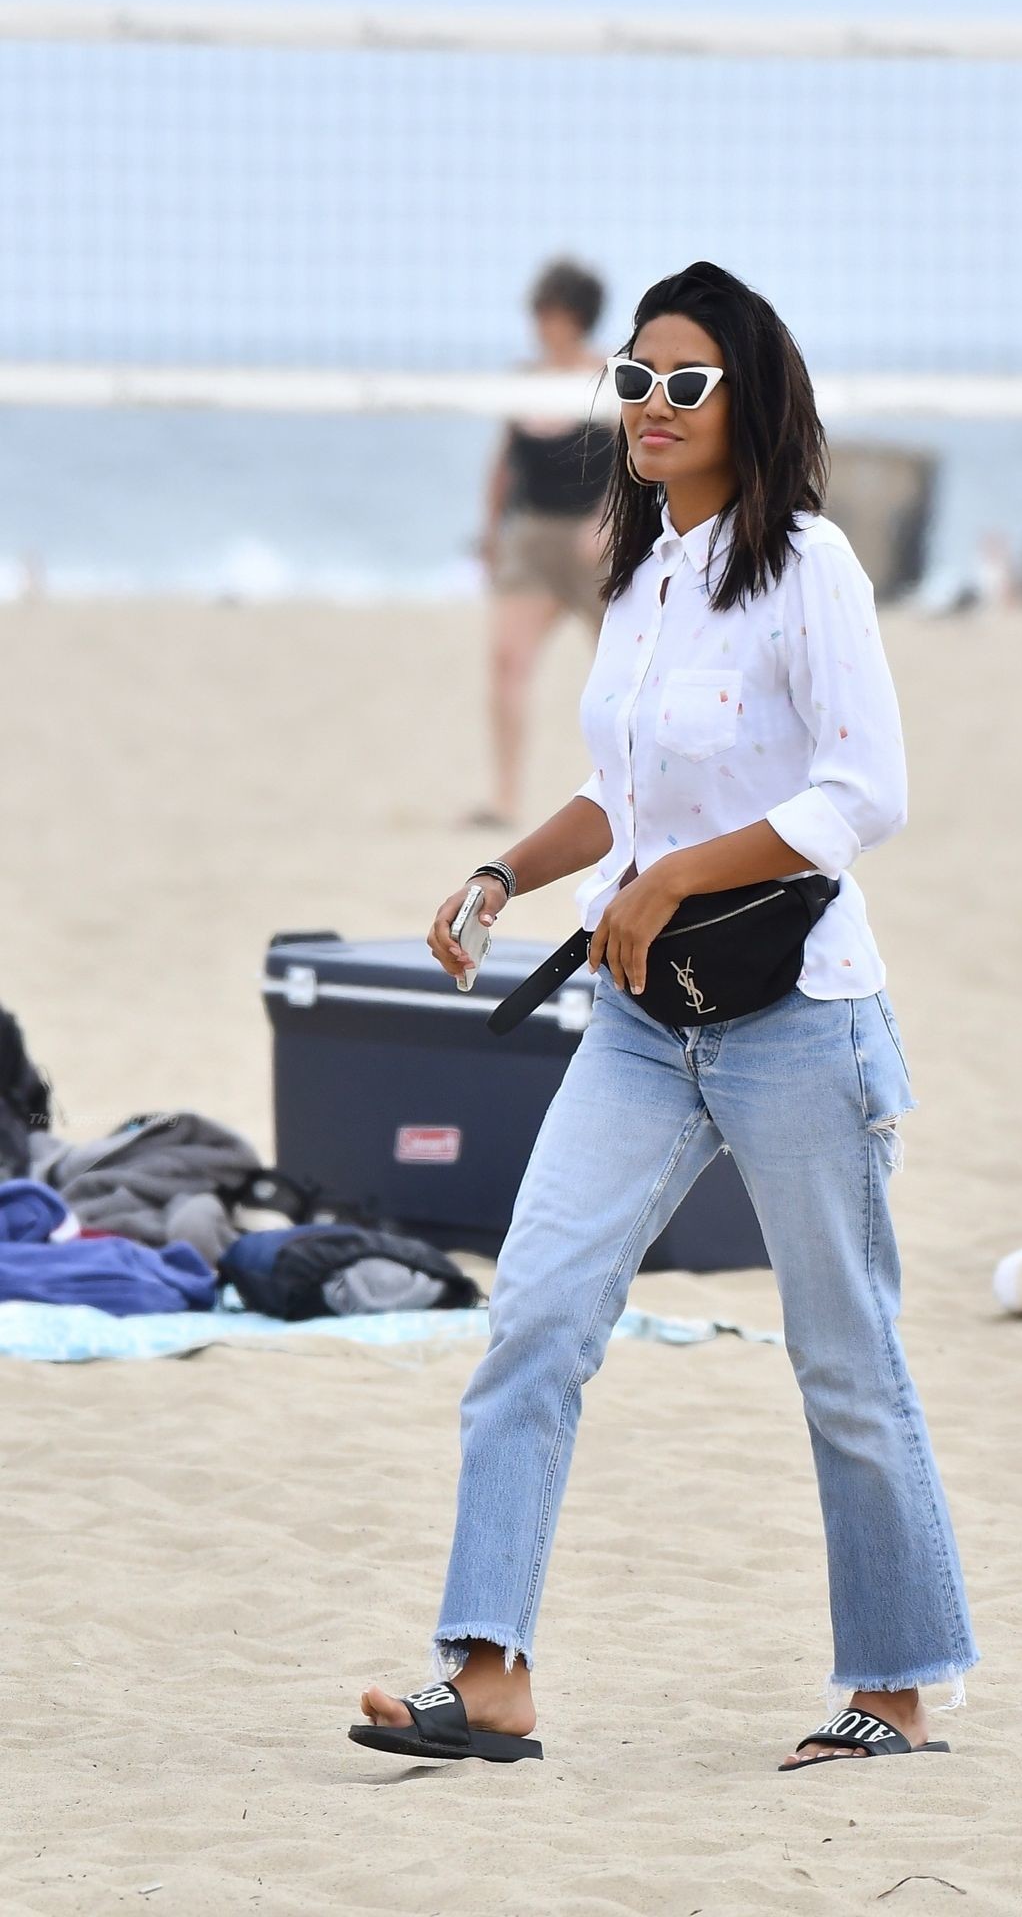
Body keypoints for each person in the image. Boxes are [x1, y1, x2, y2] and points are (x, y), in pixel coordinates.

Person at [355, 260, 980, 1772]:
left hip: (797, 1016)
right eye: (632, 379)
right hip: (641, 1020)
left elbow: (864, 795)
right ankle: (486, 1674)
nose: (649, 405)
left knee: (843, 1356)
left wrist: (676, 879)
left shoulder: (810, 566)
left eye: (682, 383)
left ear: (747, 400)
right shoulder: (636, 575)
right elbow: (619, 794)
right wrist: (506, 872)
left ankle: (895, 1687)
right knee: (535, 1316)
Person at [458, 257, 616, 831]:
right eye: (539, 312)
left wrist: (609, 520)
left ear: (577, 316)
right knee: (507, 662)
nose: (542, 323)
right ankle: (504, 800)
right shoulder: (524, 378)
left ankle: (625, 792)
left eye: (552, 312)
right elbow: (503, 463)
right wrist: (491, 533)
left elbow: (637, 459)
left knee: (618, 673)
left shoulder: (611, 375)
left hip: (596, 539)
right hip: (532, 538)